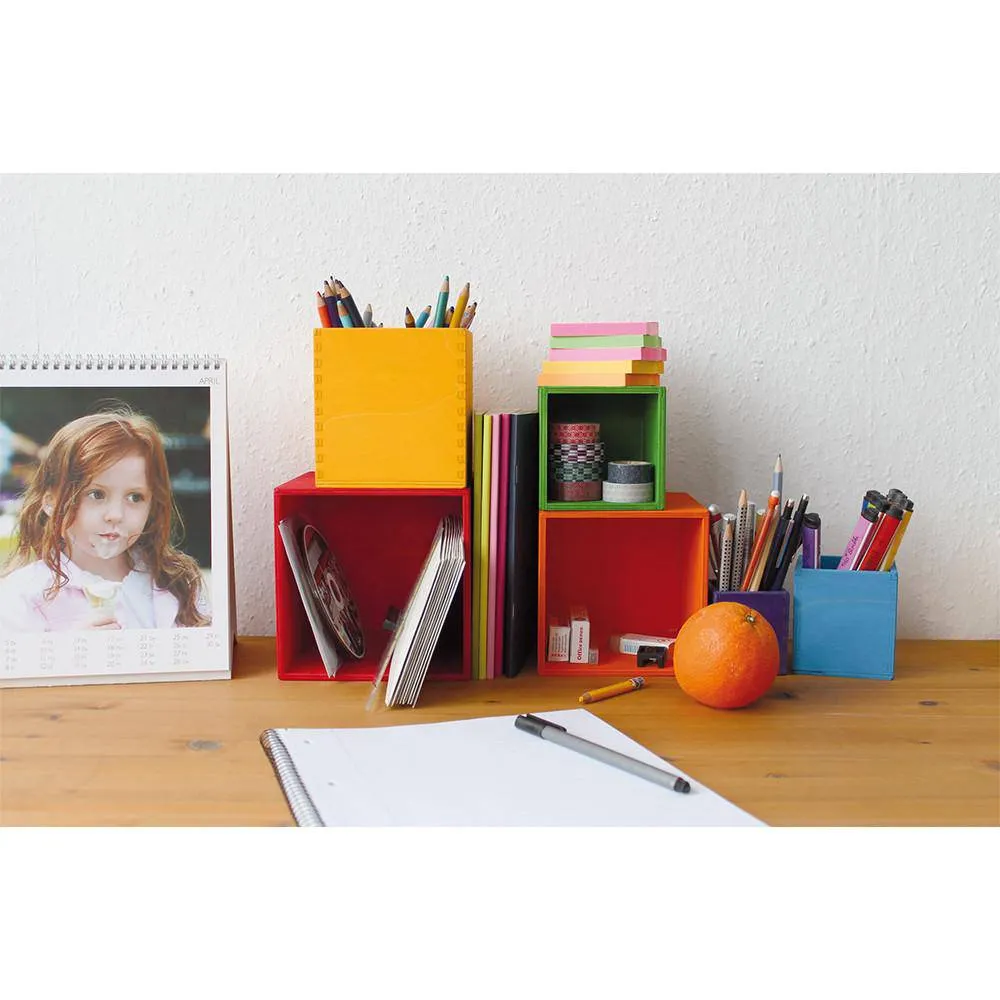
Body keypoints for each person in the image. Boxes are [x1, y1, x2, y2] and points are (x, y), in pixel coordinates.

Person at [0, 409, 211, 631]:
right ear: (51, 502)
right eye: (96, 494)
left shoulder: (178, 582)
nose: (116, 515)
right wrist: (72, 655)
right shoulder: (23, 595)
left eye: (135, 497)